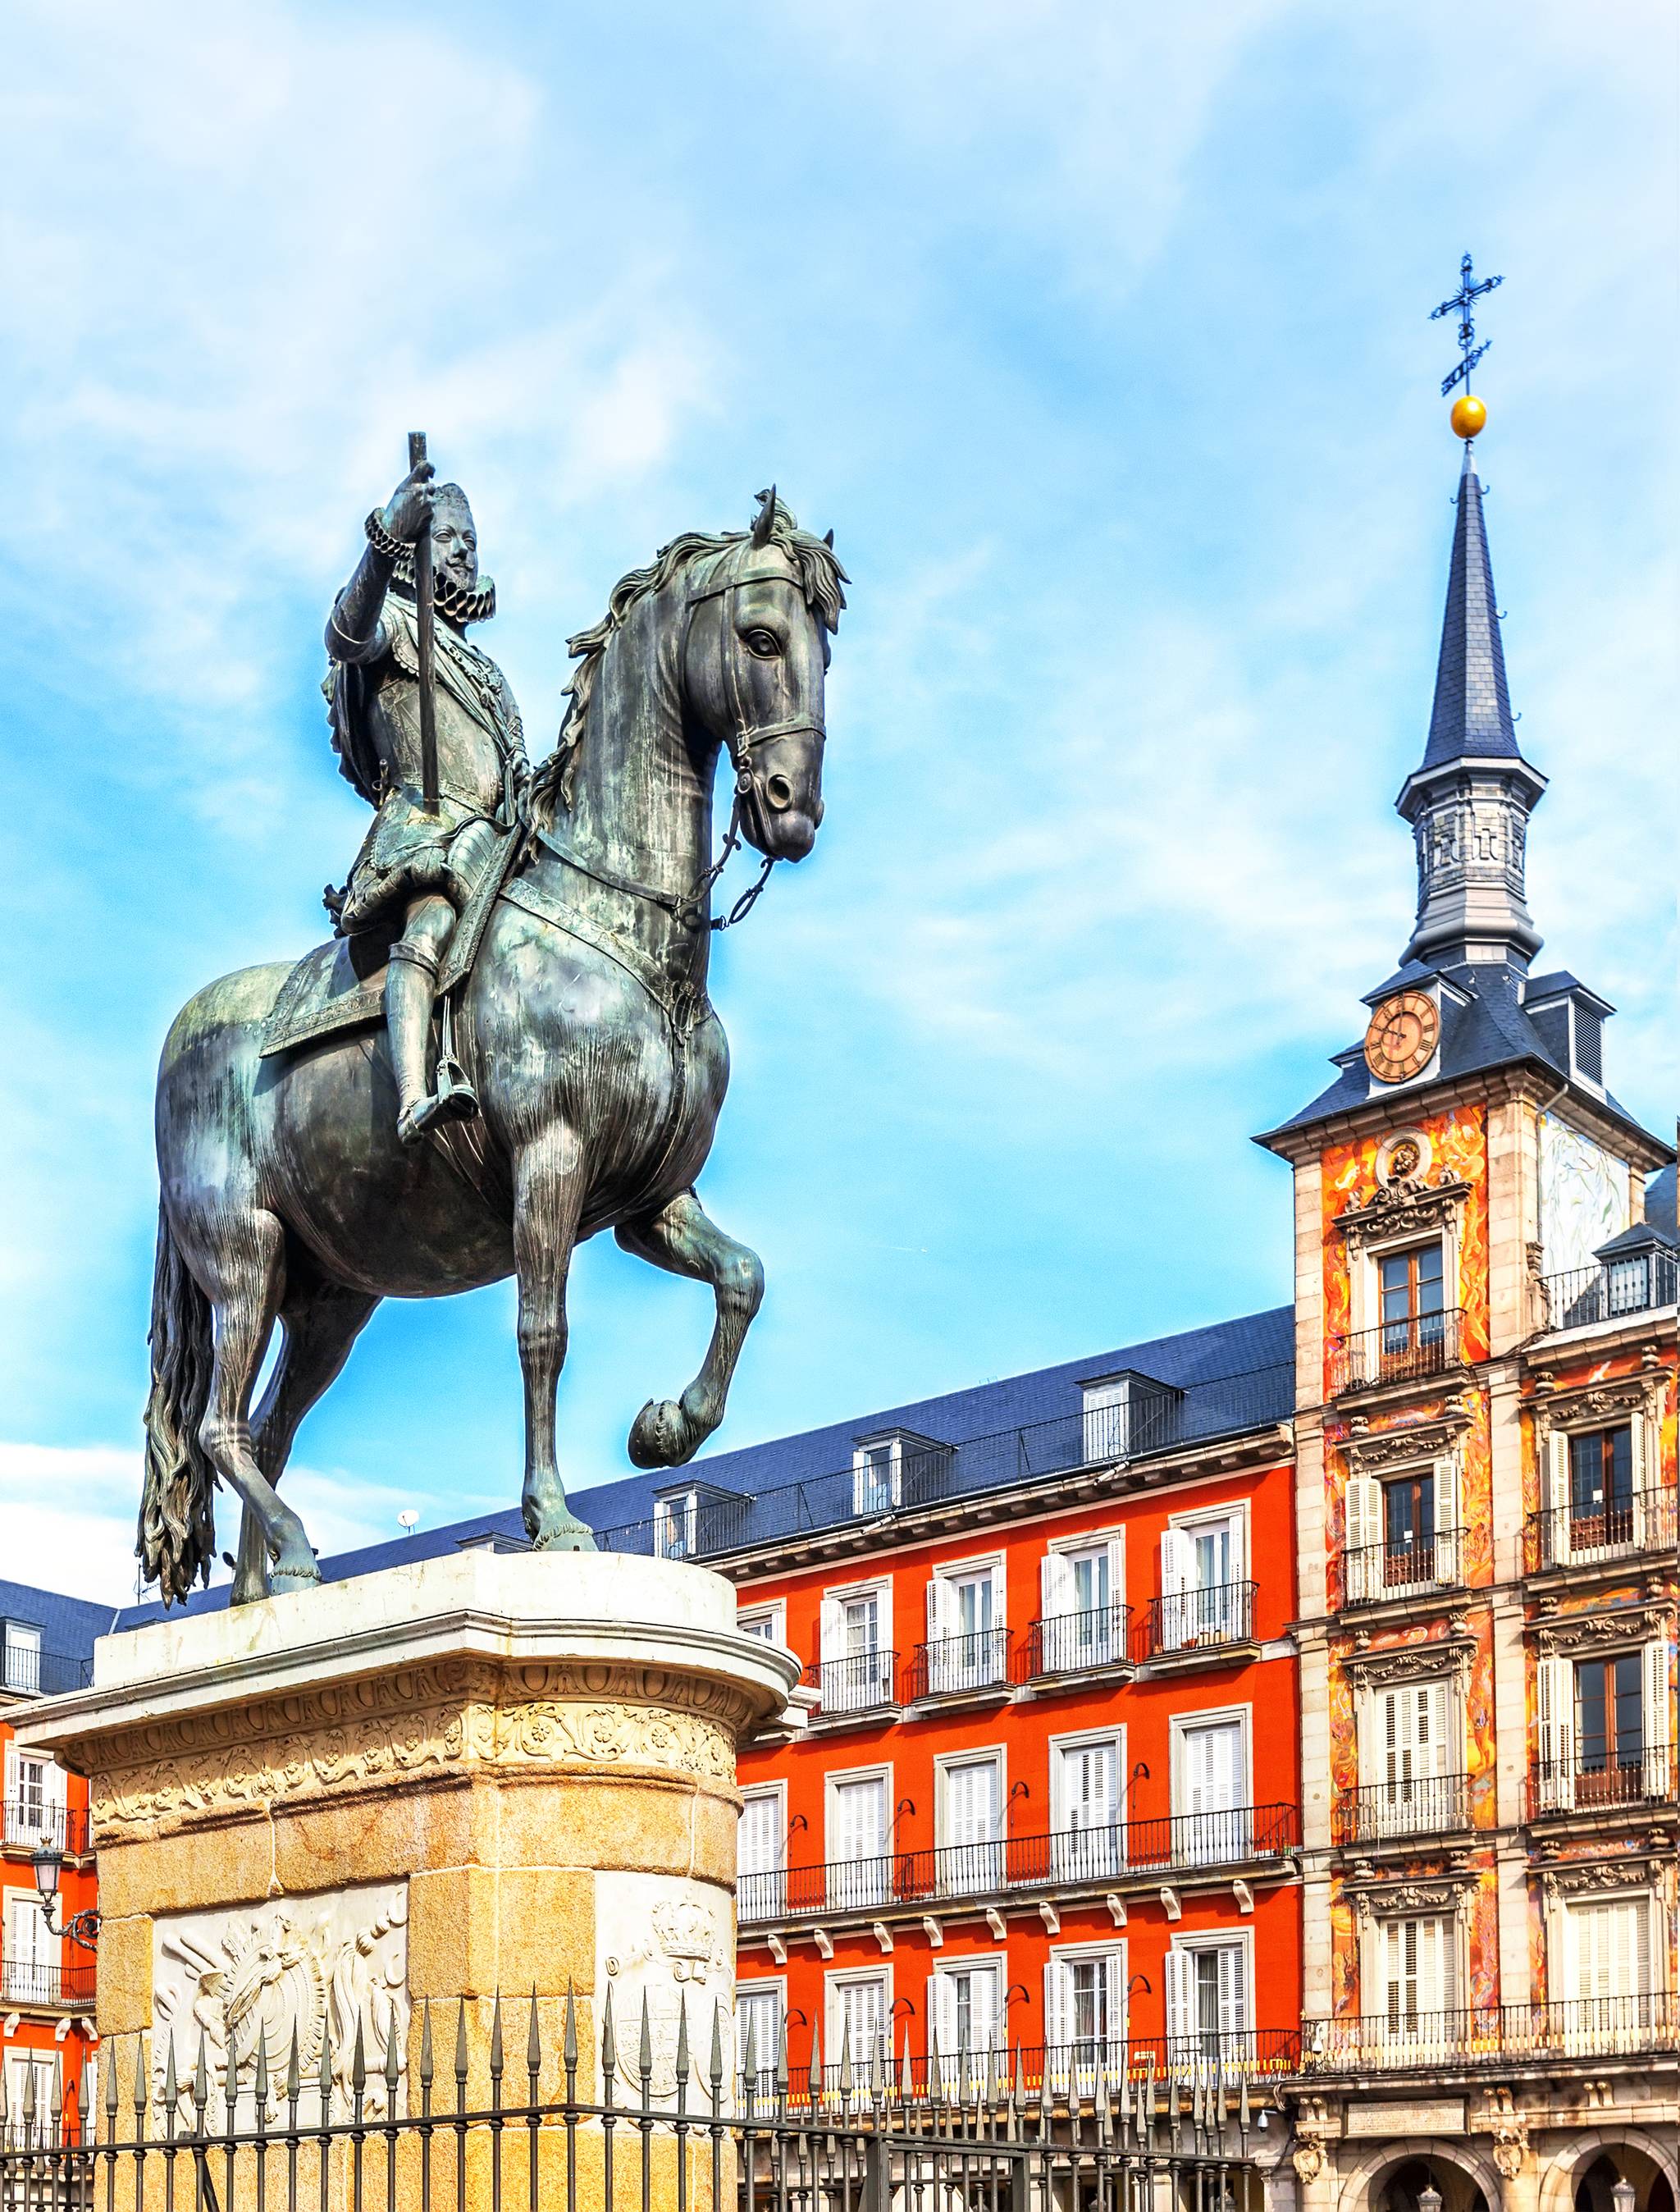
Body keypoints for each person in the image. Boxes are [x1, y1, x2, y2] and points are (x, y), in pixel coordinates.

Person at [323, 459, 529, 1143]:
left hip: (495, 843)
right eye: (447, 537)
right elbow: (347, 635)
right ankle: (413, 1093)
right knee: (434, 918)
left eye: (471, 539)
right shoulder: (399, 627)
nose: (466, 550)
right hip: (426, 828)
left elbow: (517, 770)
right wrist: (385, 538)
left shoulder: (490, 675)